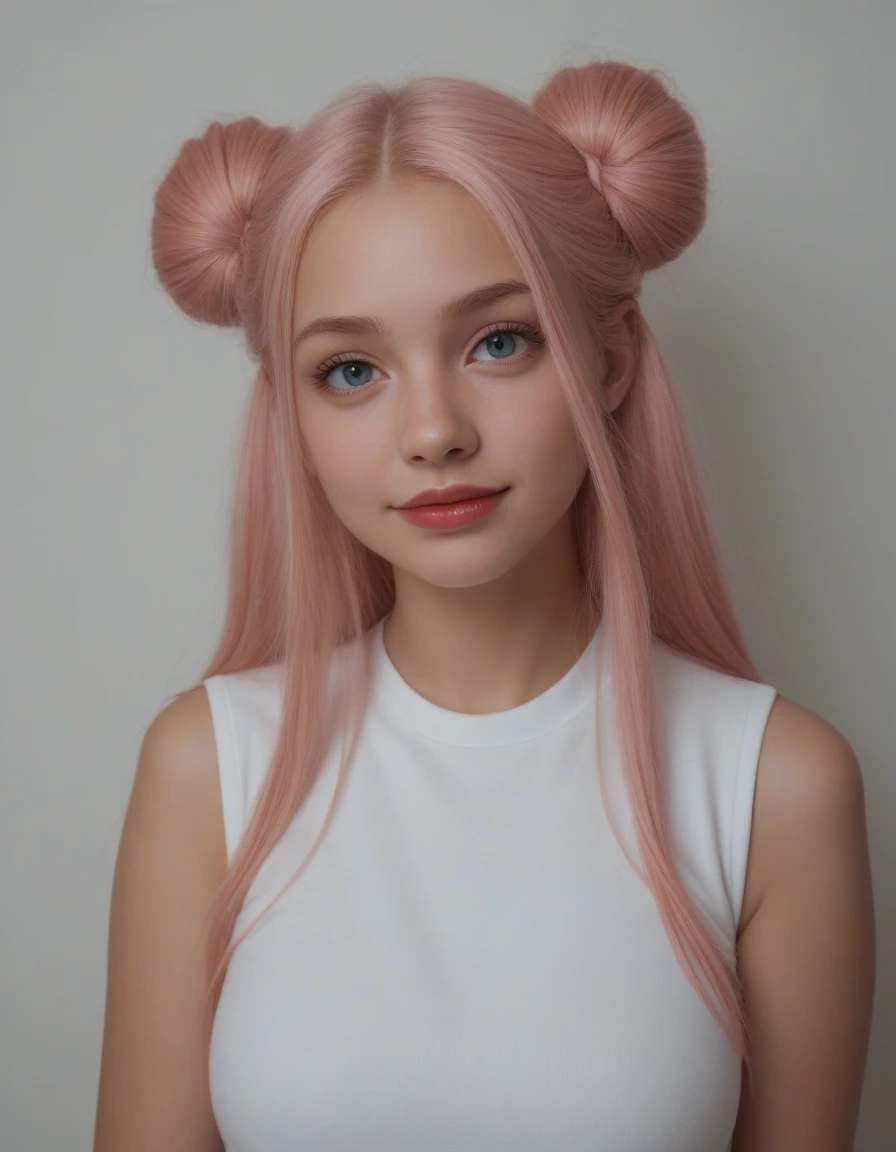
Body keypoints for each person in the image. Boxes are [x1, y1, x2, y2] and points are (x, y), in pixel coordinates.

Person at [94, 61, 875, 1152]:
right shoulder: (208, 767)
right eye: (351, 369)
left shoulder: (773, 784)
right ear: (290, 416)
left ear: (608, 358)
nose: (431, 431)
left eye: (497, 341)